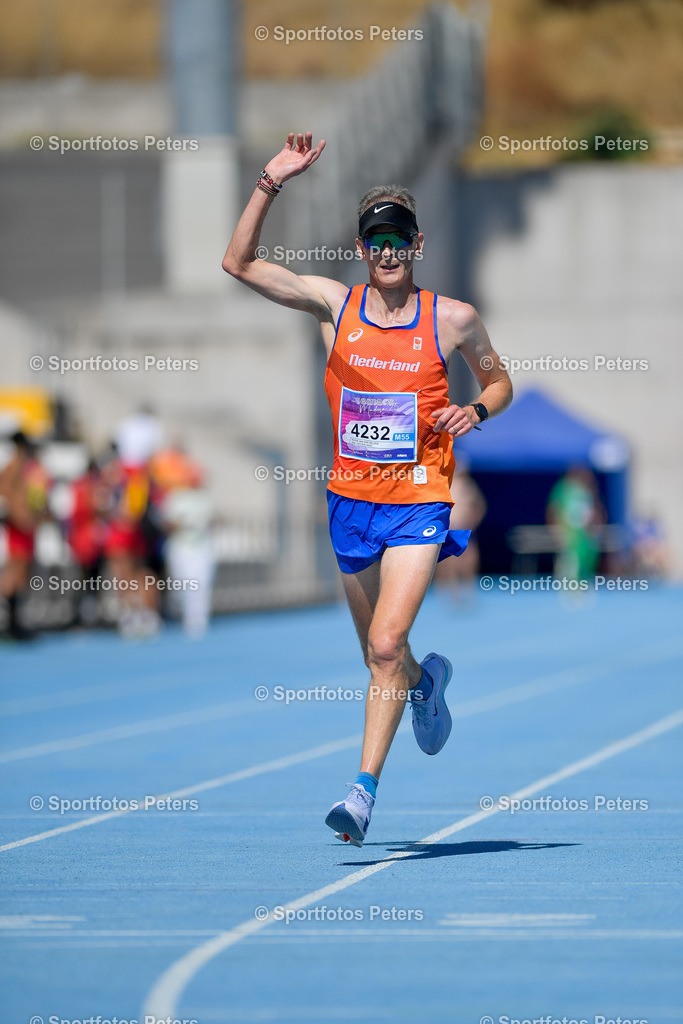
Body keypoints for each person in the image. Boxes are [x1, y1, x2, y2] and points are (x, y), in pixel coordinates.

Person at [222, 132, 512, 846]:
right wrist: (270, 179)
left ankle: (361, 793)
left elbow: (500, 380)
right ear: (361, 247)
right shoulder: (332, 306)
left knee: (385, 642)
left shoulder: (452, 318)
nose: (387, 251)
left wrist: (472, 409)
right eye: (375, 239)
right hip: (351, 504)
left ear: (416, 245)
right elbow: (238, 263)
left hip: (420, 497)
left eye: (398, 239)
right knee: (379, 657)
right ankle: (424, 685)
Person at [0, 431, 49, 640]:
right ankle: (10, 623)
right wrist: (18, 518)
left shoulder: (27, 468)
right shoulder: (13, 467)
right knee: (14, 573)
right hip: (17, 528)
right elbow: (5, 497)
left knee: (22, 575)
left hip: (25, 527)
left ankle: (15, 621)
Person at [546, 465, 604, 582]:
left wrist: (596, 527)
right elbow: (553, 510)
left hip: (585, 536)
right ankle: (568, 589)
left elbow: (595, 510)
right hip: (570, 534)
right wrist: (556, 530)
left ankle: (583, 587)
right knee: (570, 564)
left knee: (586, 564)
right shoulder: (563, 489)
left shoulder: (587, 491)